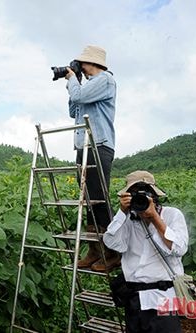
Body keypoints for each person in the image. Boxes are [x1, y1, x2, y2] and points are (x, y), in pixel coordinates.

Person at [103, 170, 188, 333]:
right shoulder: (127, 219)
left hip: (163, 299)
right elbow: (112, 243)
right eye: (134, 194)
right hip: (134, 300)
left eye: (145, 193)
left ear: (154, 196)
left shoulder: (172, 215)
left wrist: (155, 218)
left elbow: (178, 248)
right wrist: (122, 213)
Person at [65, 45, 119, 272]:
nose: (80, 67)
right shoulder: (86, 86)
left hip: (99, 145)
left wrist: (72, 81)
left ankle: (113, 252)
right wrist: (74, 82)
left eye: (82, 64)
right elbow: (73, 109)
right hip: (83, 146)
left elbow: (78, 95)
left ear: (91, 63)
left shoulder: (105, 80)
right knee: (88, 201)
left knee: (98, 198)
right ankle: (94, 250)